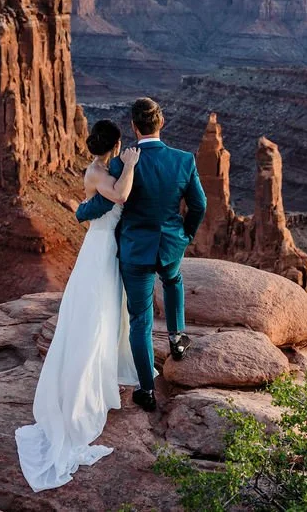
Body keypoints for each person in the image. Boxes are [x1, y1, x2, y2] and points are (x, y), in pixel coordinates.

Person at [15, 120, 142, 492]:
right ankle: (80, 394)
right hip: (101, 249)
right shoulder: (98, 173)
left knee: (105, 315)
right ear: (116, 144)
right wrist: (131, 165)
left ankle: (100, 377)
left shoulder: (102, 168)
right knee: (94, 318)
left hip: (108, 247)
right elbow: (120, 196)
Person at [75, 97, 207, 412]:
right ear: (161, 123)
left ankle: (146, 389)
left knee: (140, 321)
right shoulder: (184, 160)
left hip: (135, 250)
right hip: (170, 244)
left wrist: (81, 211)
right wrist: (185, 236)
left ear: (134, 127)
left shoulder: (121, 164)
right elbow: (199, 205)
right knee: (173, 280)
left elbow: (106, 202)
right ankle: (176, 338)